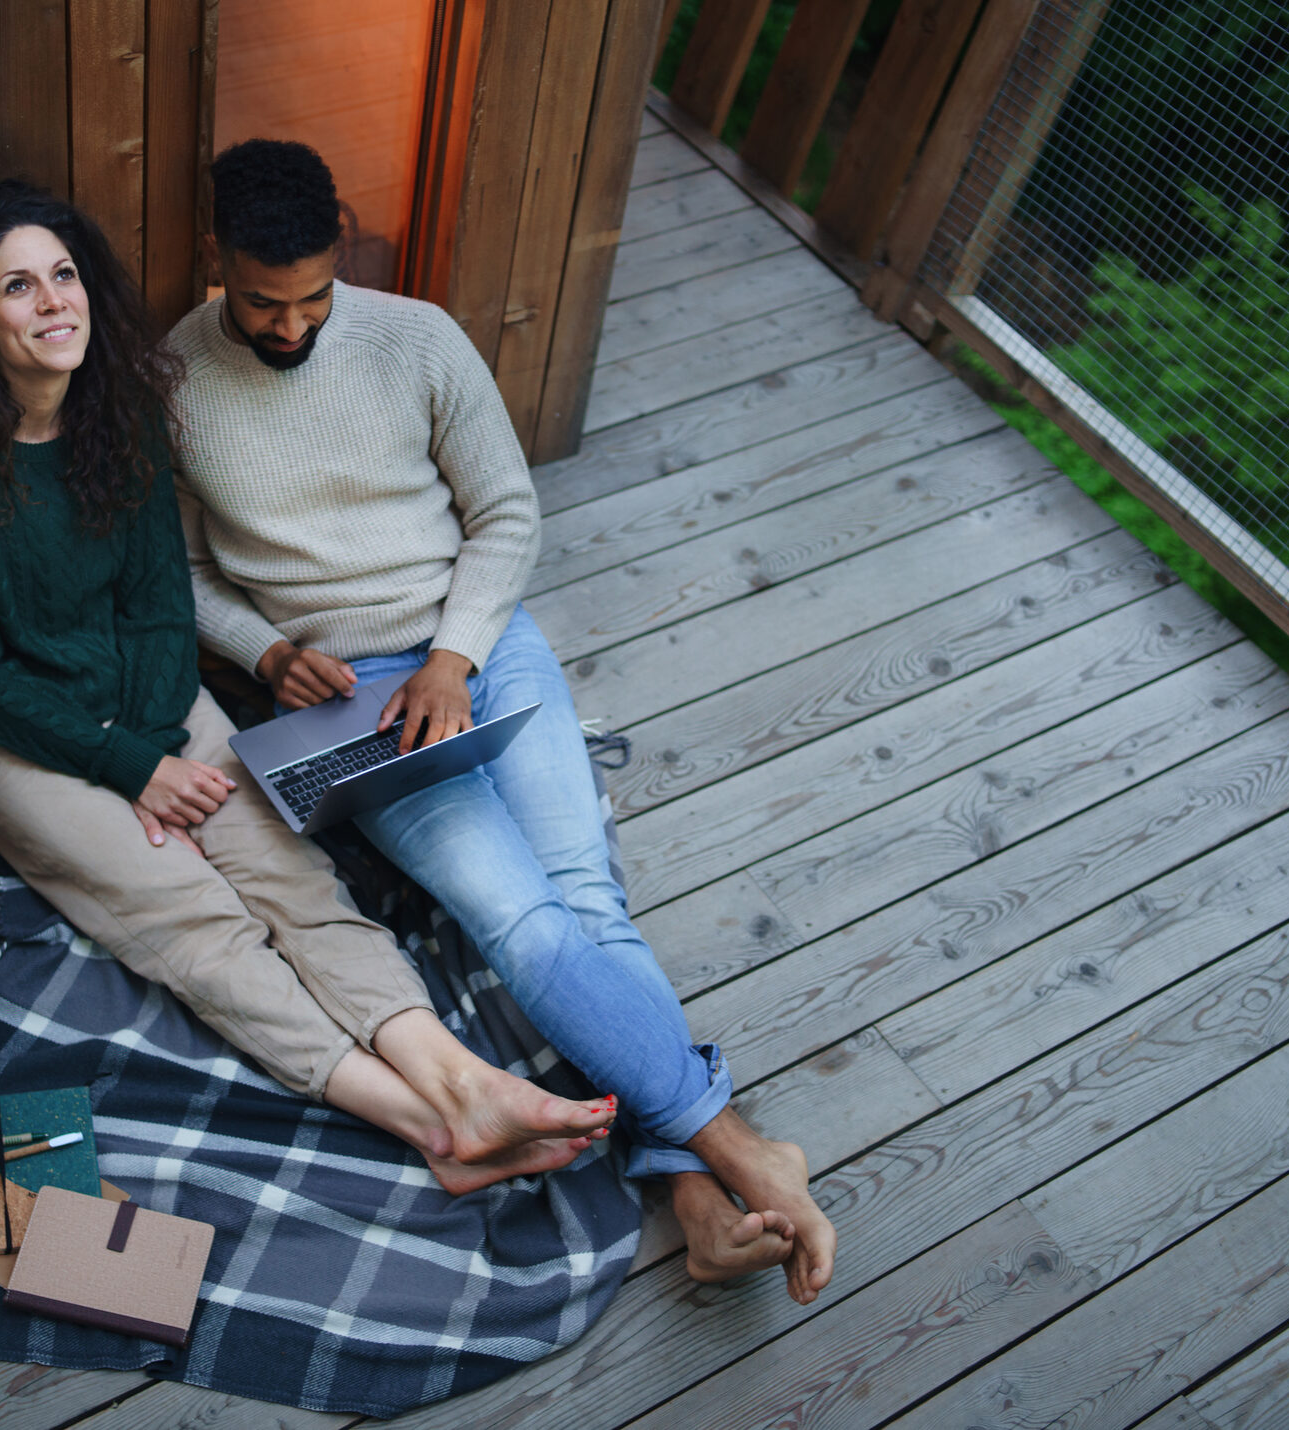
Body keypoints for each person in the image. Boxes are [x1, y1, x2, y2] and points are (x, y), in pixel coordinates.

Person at [169, 141, 838, 1303]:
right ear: (213, 256)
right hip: (349, 695)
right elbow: (178, 571)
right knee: (518, 921)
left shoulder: (418, 337)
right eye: (261, 302)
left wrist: (454, 654)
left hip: (477, 638)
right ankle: (734, 1146)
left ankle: (688, 1179)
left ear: (344, 250)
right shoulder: (166, 380)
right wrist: (266, 649)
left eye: (314, 298)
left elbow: (505, 511)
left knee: (584, 891)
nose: (289, 328)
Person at [0, 178, 617, 1196]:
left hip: (148, 693)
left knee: (292, 875)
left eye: (63, 273)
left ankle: (460, 1075)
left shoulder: (122, 411)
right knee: (195, 916)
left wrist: (159, 738)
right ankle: (428, 1126)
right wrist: (129, 765)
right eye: (18, 287)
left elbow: (155, 600)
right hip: (4, 729)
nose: (55, 301)